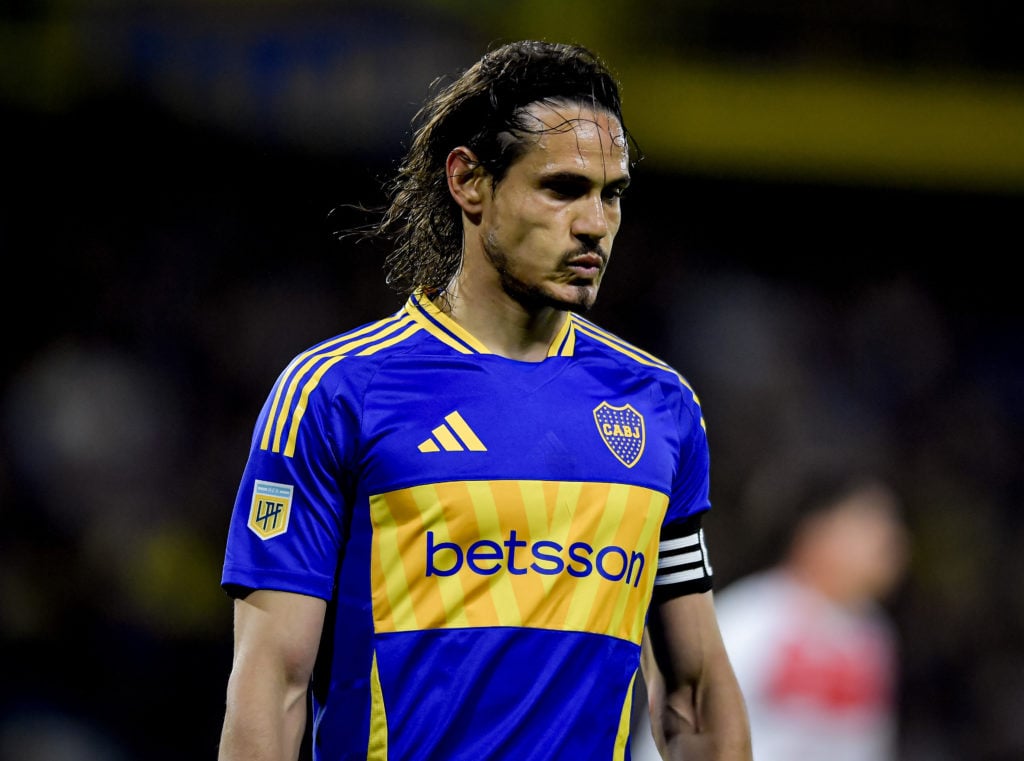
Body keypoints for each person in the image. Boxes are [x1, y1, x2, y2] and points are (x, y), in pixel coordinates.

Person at [217, 39, 752, 761]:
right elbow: (272, 682)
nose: (595, 223)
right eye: (562, 188)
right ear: (469, 181)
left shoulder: (660, 406)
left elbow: (692, 692)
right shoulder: (338, 392)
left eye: (611, 193)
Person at [708, 470, 910, 761]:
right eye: (868, 523)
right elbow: (682, 728)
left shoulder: (873, 636)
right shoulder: (751, 619)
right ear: (815, 531)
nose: (889, 540)